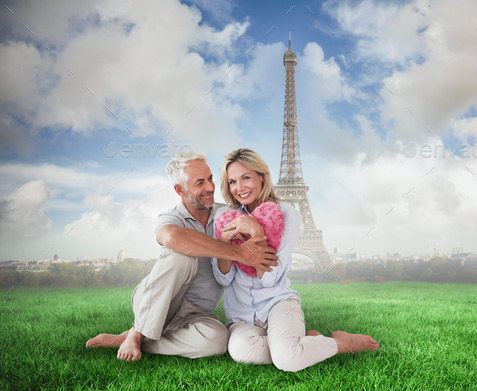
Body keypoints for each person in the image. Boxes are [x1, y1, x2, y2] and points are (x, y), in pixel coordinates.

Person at [86, 152, 279, 361]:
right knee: (184, 256)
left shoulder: (228, 215)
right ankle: (137, 332)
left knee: (217, 340)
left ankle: (140, 340)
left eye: (211, 178)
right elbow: (172, 237)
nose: (210, 187)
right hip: (160, 301)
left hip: (197, 314)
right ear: (179, 190)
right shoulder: (170, 218)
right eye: (200, 183)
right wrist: (238, 253)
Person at [212, 148, 379, 372]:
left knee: (287, 360)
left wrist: (257, 233)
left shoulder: (286, 212)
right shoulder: (226, 219)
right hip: (241, 315)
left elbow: (270, 279)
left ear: (262, 176)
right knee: (242, 352)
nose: (239, 188)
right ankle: (308, 343)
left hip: (278, 305)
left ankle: (342, 343)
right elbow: (223, 279)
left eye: (246, 178)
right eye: (232, 182)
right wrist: (224, 246)